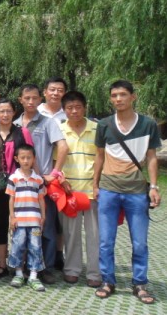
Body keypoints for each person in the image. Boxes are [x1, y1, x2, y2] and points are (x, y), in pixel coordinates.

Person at [93, 80, 161, 304]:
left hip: (136, 191)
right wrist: (95, 185)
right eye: (114, 95)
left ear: (133, 96)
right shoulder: (104, 125)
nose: (118, 99)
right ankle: (108, 281)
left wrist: (154, 187)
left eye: (123, 94)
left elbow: (152, 158)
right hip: (108, 189)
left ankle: (139, 283)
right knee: (106, 241)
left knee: (139, 242)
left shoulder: (148, 124)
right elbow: (99, 157)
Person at [14, 84, 68, 283]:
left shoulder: (47, 122)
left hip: (42, 184)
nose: (30, 102)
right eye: (27, 98)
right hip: (20, 185)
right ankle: (22, 266)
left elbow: (63, 147)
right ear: (20, 100)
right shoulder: (15, 124)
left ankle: (46, 267)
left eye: (34, 98)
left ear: (40, 99)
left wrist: (54, 173)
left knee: (46, 227)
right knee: (22, 227)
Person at [0, 98, 33, 278]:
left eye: (8, 111)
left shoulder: (23, 132)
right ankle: (2, 264)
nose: (5, 115)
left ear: (14, 112)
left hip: (20, 187)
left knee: (21, 225)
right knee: (0, 224)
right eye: (1, 111)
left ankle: (21, 264)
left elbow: (30, 157)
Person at [59, 90, 100, 287]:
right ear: (64, 110)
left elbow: (103, 158)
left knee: (95, 234)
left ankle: (95, 273)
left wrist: (98, 183)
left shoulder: (97, 129)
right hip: (69, 192)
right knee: (71, 234)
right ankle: (72, 269)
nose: (74, 111)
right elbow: (55, 162)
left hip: (93, 191)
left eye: (78, 107)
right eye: (69, 108)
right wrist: (61, 179)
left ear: (85, 107)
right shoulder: (59, 131)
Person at [6, 144, 47, 292]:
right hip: (19, 221)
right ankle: (18, 274)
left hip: (35, 221)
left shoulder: (38, 180)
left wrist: (43, 216)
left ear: (34, 159)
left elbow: (41, 199)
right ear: (16, 159)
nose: (25, 160)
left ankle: (33, 276)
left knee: (35, 247)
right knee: (18, 245)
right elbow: (11, 199)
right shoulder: (13, 178)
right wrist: (12, 217)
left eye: (29, 157)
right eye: (22, 157)